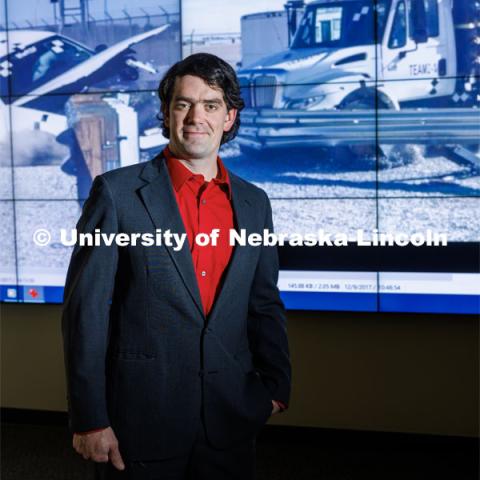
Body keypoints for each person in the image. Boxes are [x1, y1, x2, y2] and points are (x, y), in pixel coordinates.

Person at [61, 53, 291, 480]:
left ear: (229, 116)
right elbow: (85, 312)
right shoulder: (116, 193)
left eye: (211, 105)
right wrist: (89, 417)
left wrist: (277, 384)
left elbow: (263, 302)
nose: (195, 117)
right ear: (166, 114)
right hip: (141, 421)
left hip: (230, 419)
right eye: (183, 104)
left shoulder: (254, 202)